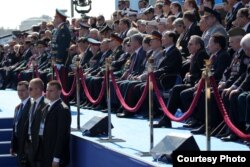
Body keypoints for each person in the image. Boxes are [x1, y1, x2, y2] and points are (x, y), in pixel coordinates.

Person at [41, 80, 71, 167]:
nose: (48, 93)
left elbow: (62, 135)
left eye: (51, 91)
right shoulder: (48, 106)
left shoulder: (63, 109)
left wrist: (56, 158)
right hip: (46, 153)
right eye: (47, 90)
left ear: (59, 92)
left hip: (55, 156)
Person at [26, 78, 48, 167]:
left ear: (38, 90)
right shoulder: (32, 103)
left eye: (30, 88)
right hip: (31, 144)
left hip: (41, 146)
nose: (28, 91)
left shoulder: (47, 104)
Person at [10, 81, 31, 167]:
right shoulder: (17, 107)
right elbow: (15, 127)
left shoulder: (33, 106)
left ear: (28, 90)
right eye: (18, 90)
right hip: (19, 147)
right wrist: (12, 145)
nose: (20, 93)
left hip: (28, 149)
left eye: (22, 90)